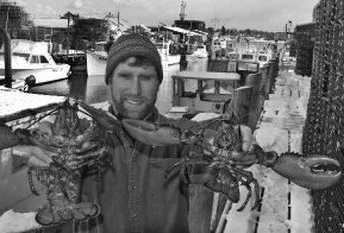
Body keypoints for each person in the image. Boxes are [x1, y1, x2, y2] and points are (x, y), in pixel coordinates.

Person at [22, 33, 253, 233]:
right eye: (125, 76)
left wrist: (237, 135)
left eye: (146, 77)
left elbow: (207, 132)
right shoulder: (84, 135)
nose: (135, 89)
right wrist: (41, 155)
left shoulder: (180, 136)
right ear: (108, 80)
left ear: (159, 83)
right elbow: (44, 157)